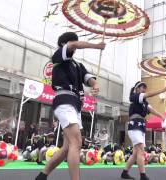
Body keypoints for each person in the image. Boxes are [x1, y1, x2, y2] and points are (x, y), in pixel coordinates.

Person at [35, 32, 105, 180]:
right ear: (64, 44)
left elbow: (89, 79)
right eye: (72, 41)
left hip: (76, 104)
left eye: (75, 41)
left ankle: (42, 175)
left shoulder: (78, 65)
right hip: (64, 99)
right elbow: (73, 45)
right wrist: (96, 46)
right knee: (77, 142)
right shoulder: (59, 55)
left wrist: (95, 84)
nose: (75, 44)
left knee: (67, 147)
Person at [121, 81, 166, 180]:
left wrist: (162, 116)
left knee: (135, 153)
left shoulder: (144, 103)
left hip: (140, 127)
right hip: (134, 126)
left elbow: (152, 110)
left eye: (144, 88)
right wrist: (162, 90)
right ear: (137, 89)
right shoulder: (134, 97)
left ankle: (125, 173)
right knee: (141, 150)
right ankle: (142, 175)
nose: (144, 89)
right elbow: (149, 94)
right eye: (142, 87)